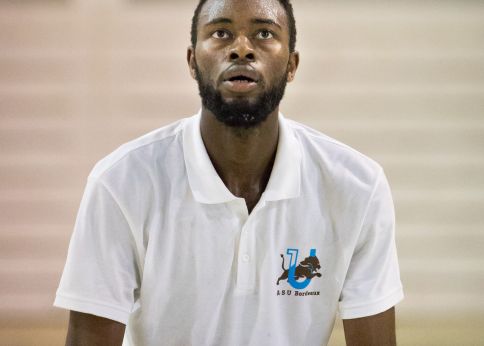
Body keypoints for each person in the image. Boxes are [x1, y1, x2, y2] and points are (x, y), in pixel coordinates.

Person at [54, 0, 404, 345]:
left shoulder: (357, 186)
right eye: (221, 33)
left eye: (264, 33)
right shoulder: (120, 182)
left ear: (292, 65)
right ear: (192, 61)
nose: (241, 49)